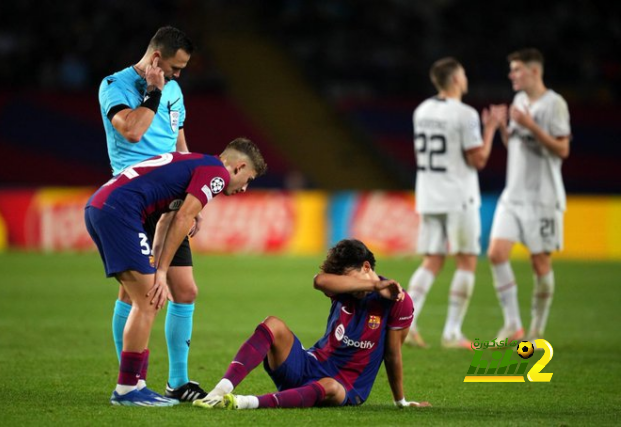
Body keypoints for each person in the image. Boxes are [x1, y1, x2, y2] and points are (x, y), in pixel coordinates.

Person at [84, 139, 268, 406]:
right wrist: (160, 273)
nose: (245, 188)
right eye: (248, 179)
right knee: (148, 299)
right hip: (119, 211)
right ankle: (127, 389)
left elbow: (168, 221)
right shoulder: (216, 173)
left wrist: (159, 267)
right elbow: (183, 219)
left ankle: (136, 384)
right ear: (238, 167)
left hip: (102, 206)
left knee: (139, 296)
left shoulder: (195, 162)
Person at [192, 239, 430, 410]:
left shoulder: (399, 302)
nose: (349, 284)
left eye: (349, 276)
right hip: (309, 364)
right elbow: (319, 281)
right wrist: (373, 285)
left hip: (346, 386)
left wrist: (401, 401)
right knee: (273, 324)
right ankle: (222, 388)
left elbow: (392, 353)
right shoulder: (351, 289)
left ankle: (246, 402)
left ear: (366, 267)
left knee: (330, 387)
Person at [98, 26, 206, 401]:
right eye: (175, 68)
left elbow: (179, 140)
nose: (178, 75)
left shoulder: (174, 90)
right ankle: (132, 379)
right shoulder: (115, 85)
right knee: (135, 297)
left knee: (185, 290)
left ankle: (177, 381)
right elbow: (131, 130)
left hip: (171, 204)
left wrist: (195, 190)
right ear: (157, 58)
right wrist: (154, 91)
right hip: (133, 200)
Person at [403, 57, 504, 349]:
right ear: (457, 80)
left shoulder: (422, 110)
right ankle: (451, 333)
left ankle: (408, 324)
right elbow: (479, 159)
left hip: (429, 193)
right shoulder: (465, 114)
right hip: (458, 195)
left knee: (432, 260)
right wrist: (491, 128)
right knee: (466, 260)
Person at [488, 48, 571, 342]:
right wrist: (501, 129)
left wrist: (531, 125)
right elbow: (517, 145)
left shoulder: (555, 104)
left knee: (540, 263)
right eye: (512, 70)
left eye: (517, 69)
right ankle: (513, 325)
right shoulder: (520, 100)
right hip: (514, 195)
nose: (512, 75)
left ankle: (536, 329)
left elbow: (562, 149)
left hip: (543, 198)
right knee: (496, 254)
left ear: (535, 71)